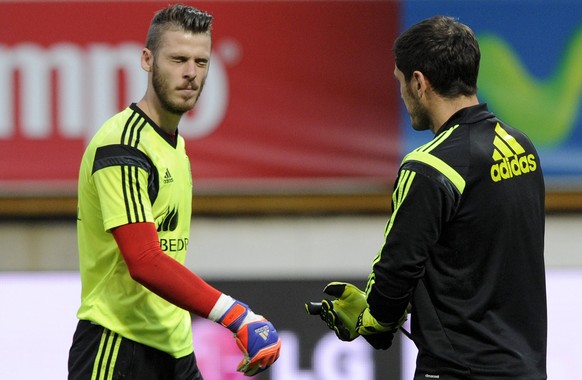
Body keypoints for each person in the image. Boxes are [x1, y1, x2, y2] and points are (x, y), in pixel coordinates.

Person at [307, 16, 547, 379]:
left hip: (457, 371)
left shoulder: (428, 165)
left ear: (419, 82)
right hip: (526, 368)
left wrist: (374, 320)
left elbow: (397, 269)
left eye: (401, 82)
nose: (402, 94)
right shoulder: (520, 146)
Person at [68, 4, 281, 379]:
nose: (190, 74)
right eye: (178, 59)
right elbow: (145, 259)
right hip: (118, 347)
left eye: (201, 62)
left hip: (174, 345)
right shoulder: (123, 145)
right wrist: (236, 315)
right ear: (147, 60)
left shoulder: (173, 145)